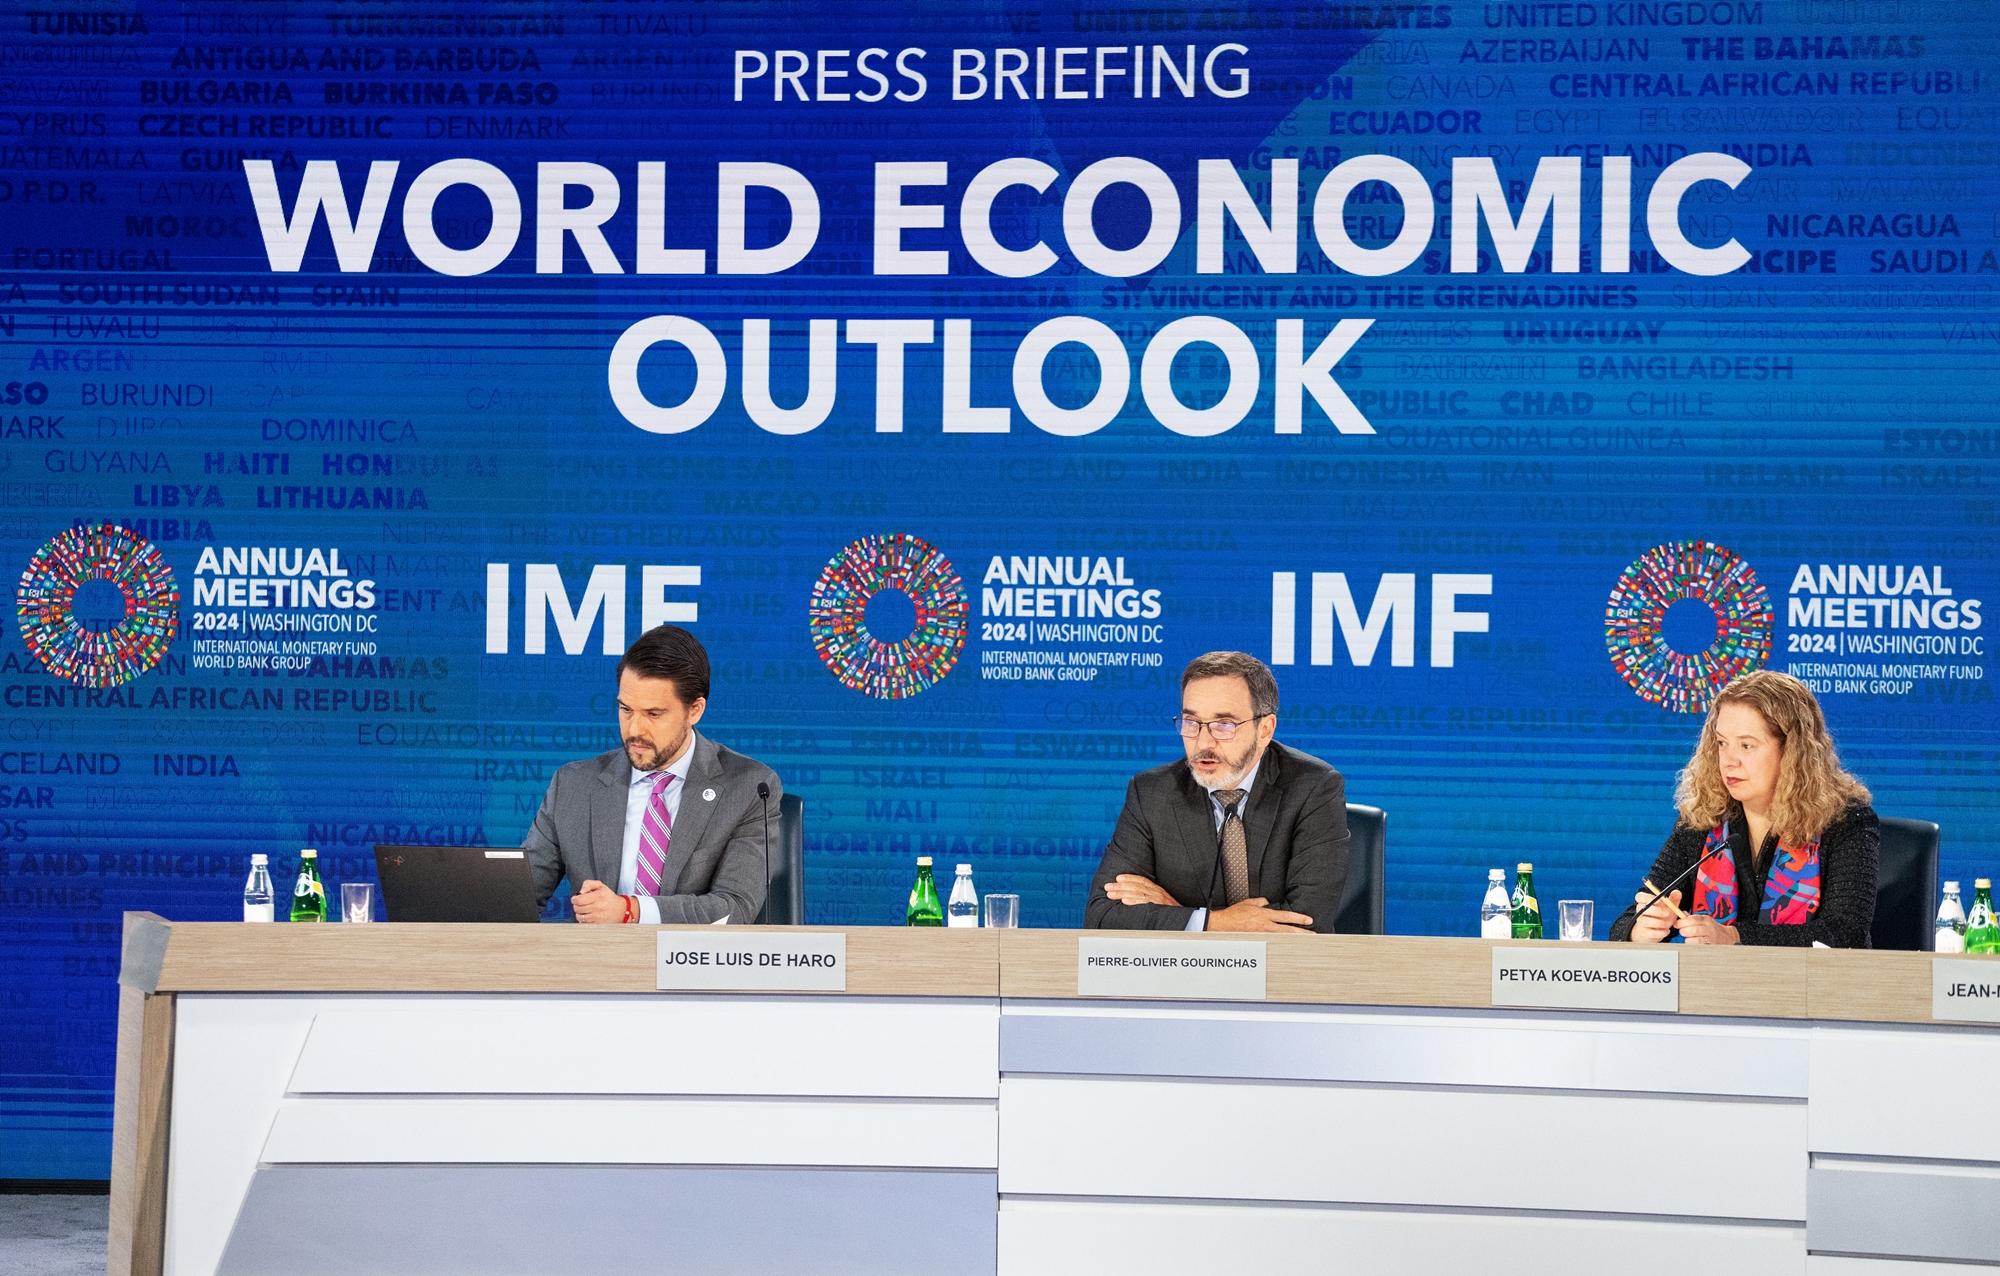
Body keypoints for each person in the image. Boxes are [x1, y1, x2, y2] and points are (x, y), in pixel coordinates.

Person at [523, 624, 781, 924]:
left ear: (695, 710)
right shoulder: (573, 785)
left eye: (653, 714)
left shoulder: (748, 787)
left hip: (691, 954)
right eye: (626, 709)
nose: (634, 729)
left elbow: (734, 908)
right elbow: (518, 897)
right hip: (596, 954)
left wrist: (630, 910)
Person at [1085, 651, 1351, 933]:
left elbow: (1306, 922)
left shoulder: (1313, 787)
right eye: (1191, 722)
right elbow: (1102, 915)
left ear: (1265, 730)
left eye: (1224, 725)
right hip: (1183, 962)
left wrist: (1184, 918)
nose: (1203, 743)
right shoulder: (1152, 793)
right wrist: (1215, 922)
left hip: (1282, 961)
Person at [1610, 670, 1878, 947]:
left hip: (1814, 976)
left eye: (1746, 745)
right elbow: (1625, 924)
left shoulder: (1844, 820)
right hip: (1717, 976)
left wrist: (1735, 936)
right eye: (1722, 743)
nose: (1729, 760)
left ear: (1792, 751)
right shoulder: (1704, 818)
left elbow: (1846, 932)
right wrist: (1643, 929)